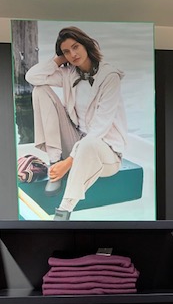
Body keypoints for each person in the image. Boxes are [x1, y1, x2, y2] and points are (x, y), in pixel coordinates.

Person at [25, 26, 128, 220]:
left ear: (86, 45)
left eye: (75, 47)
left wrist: (69, 162)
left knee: (89, 143)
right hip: (77, 140)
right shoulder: (69, 73)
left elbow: (99, 130)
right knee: (40, 90)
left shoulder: (110, 77)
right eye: (66, 51)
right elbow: (32, 77)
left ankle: (64, 210)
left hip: (106, 152)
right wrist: (58, 60)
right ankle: (54, 162)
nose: (72, 54)